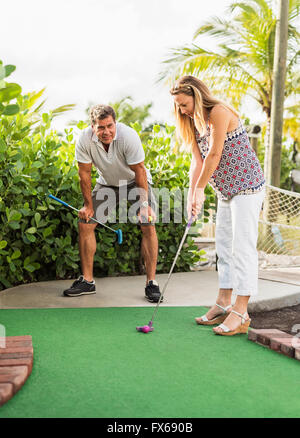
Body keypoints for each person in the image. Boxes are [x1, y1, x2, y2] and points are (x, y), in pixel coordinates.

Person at [170, 76, 265, 336]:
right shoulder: (194, 122)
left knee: (242, 247)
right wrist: (193, 194)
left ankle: (241, 311)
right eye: (178, 106)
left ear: (197, 96)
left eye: (184, 104)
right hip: (225, 191)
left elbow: (215, 153)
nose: (182, 110)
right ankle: (224, 302)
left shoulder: (219, 112)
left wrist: (201, 189)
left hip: (247, 186)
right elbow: (198, 163)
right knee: (223, 248)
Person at [63, 104, 162, 303]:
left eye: (110, 126)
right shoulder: (84, 140)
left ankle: (151, 283)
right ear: (93, 127)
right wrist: (87, 205)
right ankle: (88, 281)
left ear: (115, 123)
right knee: (85, 224)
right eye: (101, 127)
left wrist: (144, 205)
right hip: (107, 184)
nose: (106, 132)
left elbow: (140, 171)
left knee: (147, 224)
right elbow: (84, 174)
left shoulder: (128, 136)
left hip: (135, 181)